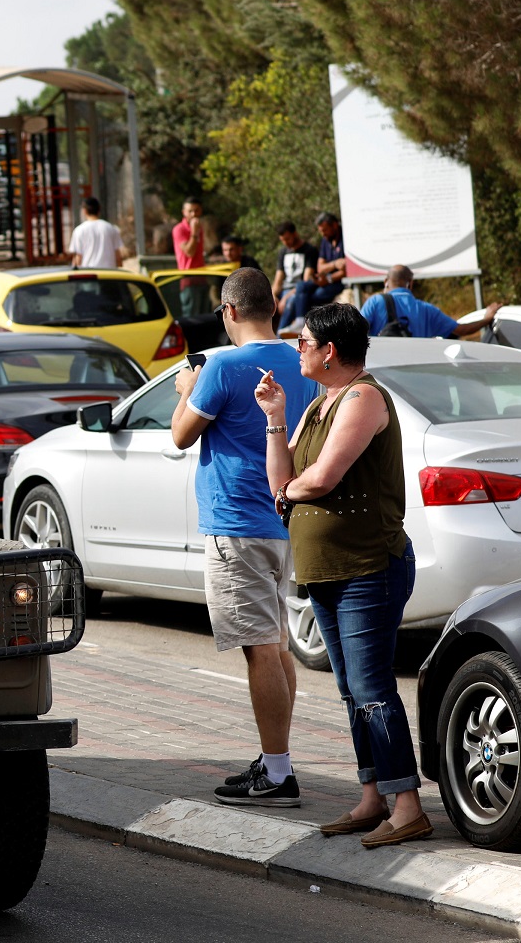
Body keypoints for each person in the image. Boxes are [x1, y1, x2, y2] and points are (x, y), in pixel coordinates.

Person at [254, 302, 431, 848]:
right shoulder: (317, 404)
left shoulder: (363, 397)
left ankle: (408, 806)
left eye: (304, 342)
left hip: (368, 568)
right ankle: (371, 797)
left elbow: (323, 479)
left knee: (374, 687)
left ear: (330, 351)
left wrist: (290, 491)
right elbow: (279, 475)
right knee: (352, 691)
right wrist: (275, 418)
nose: (297, 349)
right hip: (329, 570)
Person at [171, 268, 318, 808]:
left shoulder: (223, 366)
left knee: (260, 650)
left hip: (235, 524)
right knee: (276, 646)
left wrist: (186, 390)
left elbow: (182, 435)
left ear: (228, 312)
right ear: (274, 306)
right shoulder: (300, 361)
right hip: (282, 519)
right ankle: (274, 759)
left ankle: (278, 773)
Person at [360, 265, 501, 338]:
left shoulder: (374, 302)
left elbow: (355, 332)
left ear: (386, 282)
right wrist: (487, 318)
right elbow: (462, 330)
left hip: (381, 372)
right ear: (410, 283)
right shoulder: (427, 309)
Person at [271, 221, 320, 334]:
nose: (285, 243)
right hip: (285, 291)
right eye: (282, 240)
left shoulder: (309, 250)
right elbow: (279, 279)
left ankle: (279, 335)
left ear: (295, 234)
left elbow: (306, 281)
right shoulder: (283, 252)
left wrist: (286, 297)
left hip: (298, 292)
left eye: (287, 239)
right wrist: (273, 296)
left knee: (290, 301)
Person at [69, 197, 123, 269]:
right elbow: (118, 256)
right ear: (99, 210)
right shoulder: (111, 228)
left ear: (84, 211)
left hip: (89, 274)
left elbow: (78, 257)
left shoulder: (79, 230)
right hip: (109, 273)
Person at [172, 197, 206, 271]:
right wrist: (194, 232)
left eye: (196, 210)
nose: (193, 214)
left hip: (201, 272)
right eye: (190, 211)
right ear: (184, 212)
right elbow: (190, 252)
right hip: (187, 274)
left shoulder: (199, 227)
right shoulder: (179, 229)